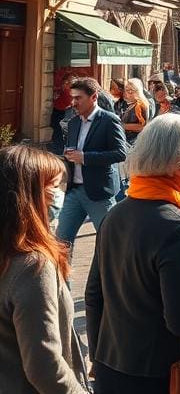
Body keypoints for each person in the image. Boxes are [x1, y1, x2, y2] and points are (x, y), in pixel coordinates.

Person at [85, 114, 180, 393]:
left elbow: (95, 296)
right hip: (161, 374)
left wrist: (97, 356)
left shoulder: (117, 213)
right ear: (176, 162)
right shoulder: (177, 225)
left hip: (112, 368)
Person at [0, 144, 87, 393]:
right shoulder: (33, 266)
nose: (60, 194)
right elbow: (45, 368)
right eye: (55, 186)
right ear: (31, 195)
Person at [55, 77, 127, 251]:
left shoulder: (109, 120)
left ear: (94, 97)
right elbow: (73, 150)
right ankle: (62, 279)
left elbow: (120, 153)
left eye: (78, 98)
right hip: (74, 192)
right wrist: (68, 156)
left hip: (99, 193)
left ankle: (111, 278)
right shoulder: (73, 123)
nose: (73, 102)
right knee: (60, 244)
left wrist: (86, 157)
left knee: (111, 244)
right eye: (72, 98)